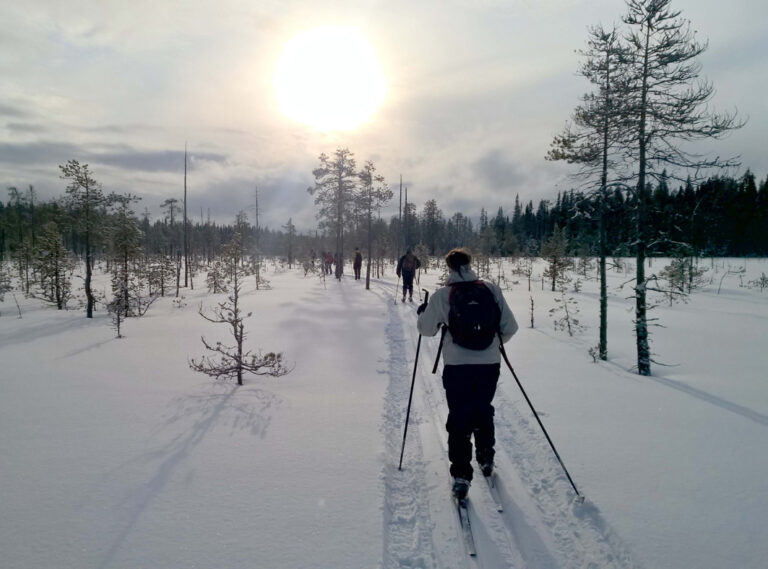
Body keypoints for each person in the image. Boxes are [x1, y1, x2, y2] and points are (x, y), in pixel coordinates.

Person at [416, 247, 518, 501]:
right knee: (483, 408)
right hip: (489, 364)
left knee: (460, 415)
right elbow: (510, 327)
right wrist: (491, 344)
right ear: (470, 264)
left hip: (457, 366)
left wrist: (423, 313)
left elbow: (426, 330)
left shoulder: (443, 295)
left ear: (449, 267)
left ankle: (461, 475)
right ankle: (486, 458)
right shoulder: (491, 290)